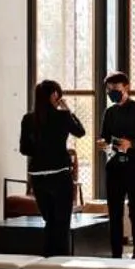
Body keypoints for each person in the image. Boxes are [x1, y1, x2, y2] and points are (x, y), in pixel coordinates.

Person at [18, 79, 85, 257]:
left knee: (49, 221)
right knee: (62, 222)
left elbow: (24, 149)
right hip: (59, 175)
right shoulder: (62, 116)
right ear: (54, 95)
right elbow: (80, 131)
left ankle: (47, 258)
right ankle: (60, 262)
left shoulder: (28, 119)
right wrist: (68, 111)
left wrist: (40, 150)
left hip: (38, 177)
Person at [98, 71, 135, 258]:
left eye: (115, 89)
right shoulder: (109, 112)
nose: (111, 93)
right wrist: (103, 143)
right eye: (108, 90)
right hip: (114, 166)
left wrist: (131, 143)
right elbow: (105, 136)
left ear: (126, 87)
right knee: (114, 213)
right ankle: (116, 254)